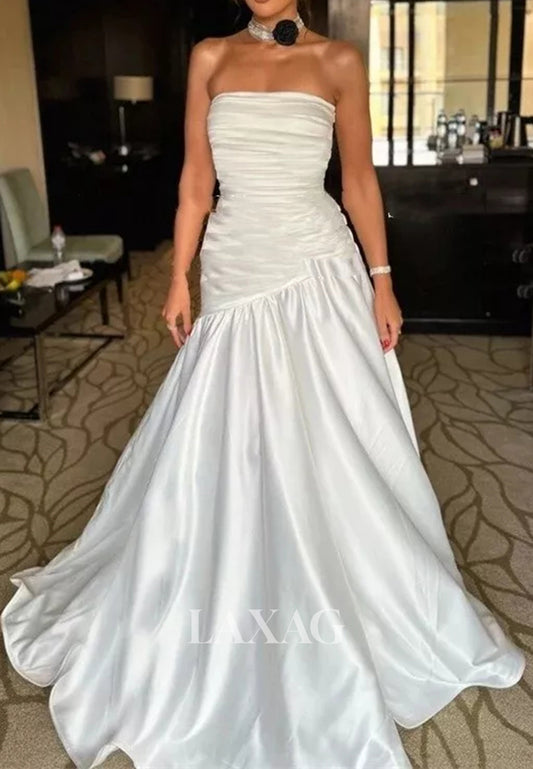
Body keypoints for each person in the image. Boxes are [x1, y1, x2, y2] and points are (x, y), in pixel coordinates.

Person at [1, 2, 526, 768]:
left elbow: (357, 180)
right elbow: (195, 181)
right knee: (227, 422)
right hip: (236, 257)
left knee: (332, 421)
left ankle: (348, 575)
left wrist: (382, 279)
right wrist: (177, 276)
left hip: (316, 259)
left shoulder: (338, 61)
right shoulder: (210, 57)